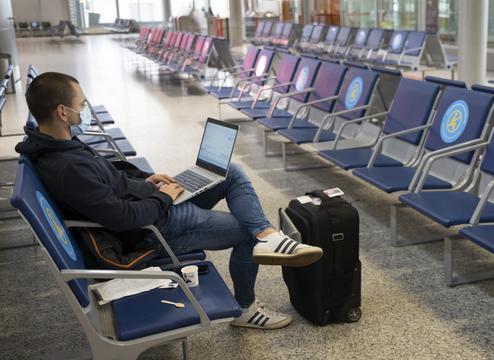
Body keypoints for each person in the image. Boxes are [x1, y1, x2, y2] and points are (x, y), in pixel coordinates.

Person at [16, 72, 323, 330]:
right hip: (154, 228)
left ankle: (268, 234)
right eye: (80, 104)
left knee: (229, 171)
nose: (83, 110)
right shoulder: (67, 166)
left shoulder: (61, 145)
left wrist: (144, 183)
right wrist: (163, 198)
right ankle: (246, 309)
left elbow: (110, 184)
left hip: (152, 205)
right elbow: (121, 217)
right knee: (244, 233)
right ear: (62, 112)